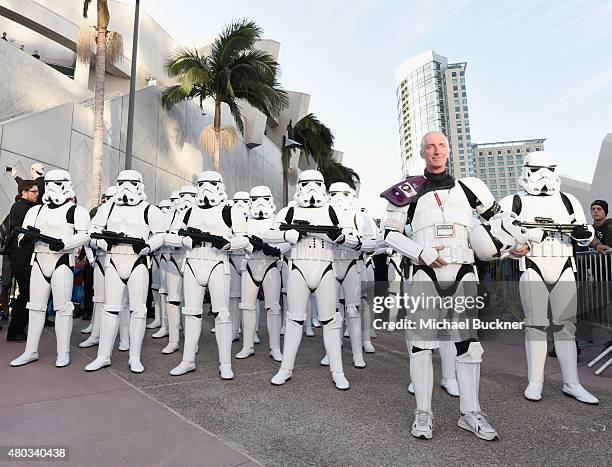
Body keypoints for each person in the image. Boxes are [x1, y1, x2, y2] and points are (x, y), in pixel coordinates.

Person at [381, 131, 528, 440]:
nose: (436, 151)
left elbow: (500, 225)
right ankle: (423, 412)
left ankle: (470, 412)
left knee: (469, 346)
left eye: (441, 146)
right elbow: (389, 234)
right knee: (422, 345)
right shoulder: (407, 190)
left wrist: (513, 246)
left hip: (464, 272)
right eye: (430, 147)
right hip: (424, 274)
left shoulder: (470, 188)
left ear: (448, 151)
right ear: (422, 153)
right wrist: (419, 252)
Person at [500, 151, 598, 405]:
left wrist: (579, 232)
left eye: (549, 169)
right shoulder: (513, 202)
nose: (544, 176)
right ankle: (535, 381)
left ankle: (572, 383)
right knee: (535, 325)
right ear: (526, 171)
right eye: (537, 170)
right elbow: (499, 239)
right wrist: (514, 248)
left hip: (564, 264)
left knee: (567, 326)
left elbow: (586, 234)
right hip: (532, 264)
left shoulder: (569, 201)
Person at [264, 170, 360, 390]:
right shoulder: (289, 210)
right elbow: (268, 234)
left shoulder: (332, 210)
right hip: (299, 267)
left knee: (331, 321)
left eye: (316, 183)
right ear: (299, 185)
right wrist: (288, 235)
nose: (311, 189)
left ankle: (338, 372)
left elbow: (355, 239)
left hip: (325, 267)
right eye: (306, 183)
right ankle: (285, 369)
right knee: (294, 319)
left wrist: (340, 237)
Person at [166, 172, 248, 379]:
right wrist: (185, 241)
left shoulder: (230, 211)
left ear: (220, 185)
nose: (206, 188)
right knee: (191, 313)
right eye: (202, 184)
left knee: (222, 314)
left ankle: (225, 363)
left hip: (218, 263)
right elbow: (170, 236)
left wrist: (227, 243)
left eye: (211, 184)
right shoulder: (187, 212)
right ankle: (187, 360)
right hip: (193, 263)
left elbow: (244, 239)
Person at [85, 171, 165, 373]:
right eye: (122, 183)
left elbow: (160, 235)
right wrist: (105, 243)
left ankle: (135, 357)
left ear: (139, 185)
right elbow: (92, 233)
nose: (127, 187)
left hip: (137, 261)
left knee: (138, 310)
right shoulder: (107, 208)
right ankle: (103, 356)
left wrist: (146, 247)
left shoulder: (149, 210)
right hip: (113, 259)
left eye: (131, 183)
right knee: (110, 309)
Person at [10, 170, 90, 367]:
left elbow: (85, 235)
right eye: (50, 183)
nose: (53, 187)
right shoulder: (35, 211)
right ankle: (30, 351)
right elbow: (22, 237)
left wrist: (64, 243)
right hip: (38, 261)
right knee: (35, 308)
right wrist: (28, 238)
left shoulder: (76, 211)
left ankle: (63, 352)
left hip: (61, 261)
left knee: (63, 309)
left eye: (58, 183)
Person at [6, 181, 39, 341]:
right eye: (34, 192)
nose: (37, 195)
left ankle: (18, 328)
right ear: (24, 192)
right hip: (22, 257)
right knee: (26, 293)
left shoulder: (23, 207)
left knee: (27, 293)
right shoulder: (23, 207)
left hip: (22, 257)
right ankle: (15, 330)